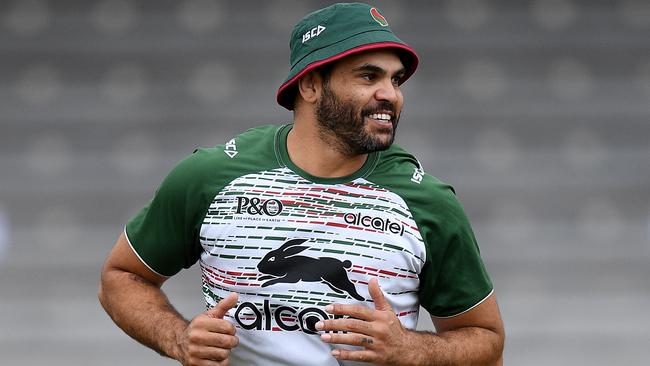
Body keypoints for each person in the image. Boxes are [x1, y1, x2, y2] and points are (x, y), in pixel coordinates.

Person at [98, 3, 505, 365]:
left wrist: (411, 350)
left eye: (396, 80)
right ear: (310, 85)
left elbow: (487, 342)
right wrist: (180, 340)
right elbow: (121, 278)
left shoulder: (427, 201)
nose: (391, 95)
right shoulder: (210, 176)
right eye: (368, 76)